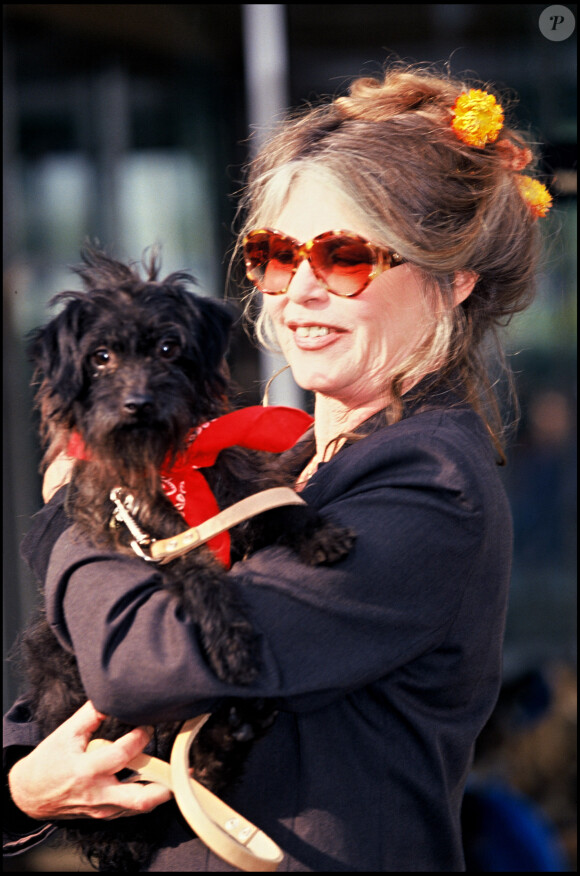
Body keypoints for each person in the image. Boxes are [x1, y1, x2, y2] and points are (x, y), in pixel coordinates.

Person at [4, 64, 552, 871]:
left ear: (451, 282)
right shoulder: (277, 464)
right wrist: (21, 786)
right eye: (274, 253)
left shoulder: (431, 486)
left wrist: (72, 509)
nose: (299, 290)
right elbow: (77, 659)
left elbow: (145, 662)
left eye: (343, 256)